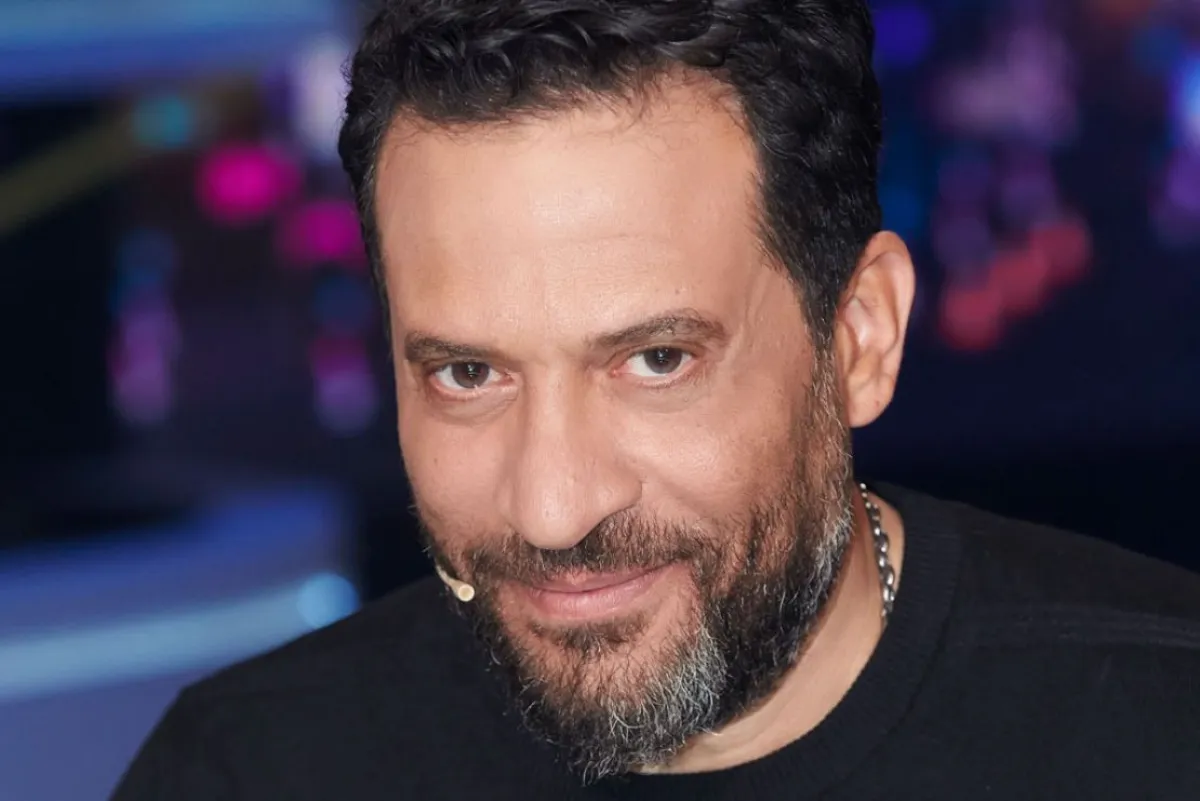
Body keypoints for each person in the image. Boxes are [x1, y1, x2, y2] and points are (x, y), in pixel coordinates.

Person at [112, 1, 1200, 798]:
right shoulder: (249, 769)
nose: (553, 509)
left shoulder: (1160, 728)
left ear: (860, 338)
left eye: (656, 361)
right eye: (468, 374)